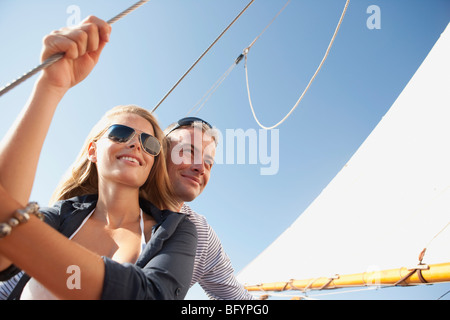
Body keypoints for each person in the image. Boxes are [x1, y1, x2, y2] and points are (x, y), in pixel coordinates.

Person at [0, 16, 197, 300]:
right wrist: (51, 86)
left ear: (154, 161)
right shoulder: (61, 215)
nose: (135, 145)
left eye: (150, 142)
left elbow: (152, 296)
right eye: (120, 133)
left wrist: (15, 232)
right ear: (93, 150)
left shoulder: (176, 230)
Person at [164, 117, 254, 300]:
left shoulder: (201, 235)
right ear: (159, 151)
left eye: (208, 163)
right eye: (189, 152)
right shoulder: (112, 198)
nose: (201, 169)